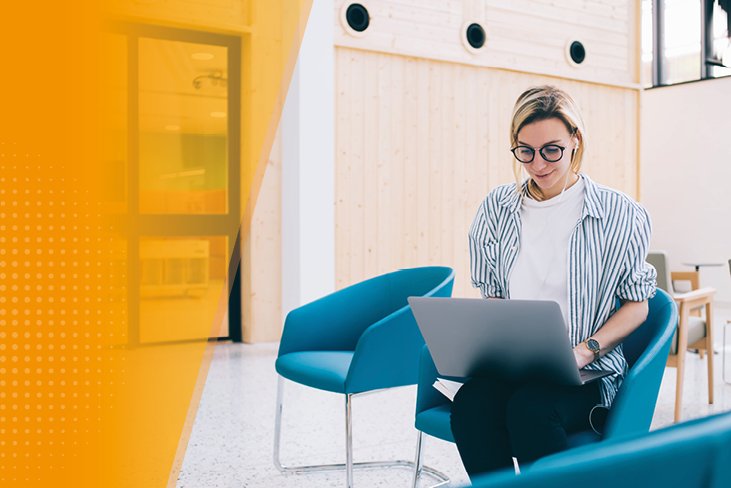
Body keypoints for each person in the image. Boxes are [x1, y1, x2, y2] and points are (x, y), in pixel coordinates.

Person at [450, 85, 657, 478]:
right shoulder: (497, 208)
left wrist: (585, 350)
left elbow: (639, 304)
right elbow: (493, 294)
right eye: (525, 151)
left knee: (531, 411)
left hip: (584, 369)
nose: (538, 164)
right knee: (470, 407)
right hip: (515, 365)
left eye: (552, 150)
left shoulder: (621, 214)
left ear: (576, 141)